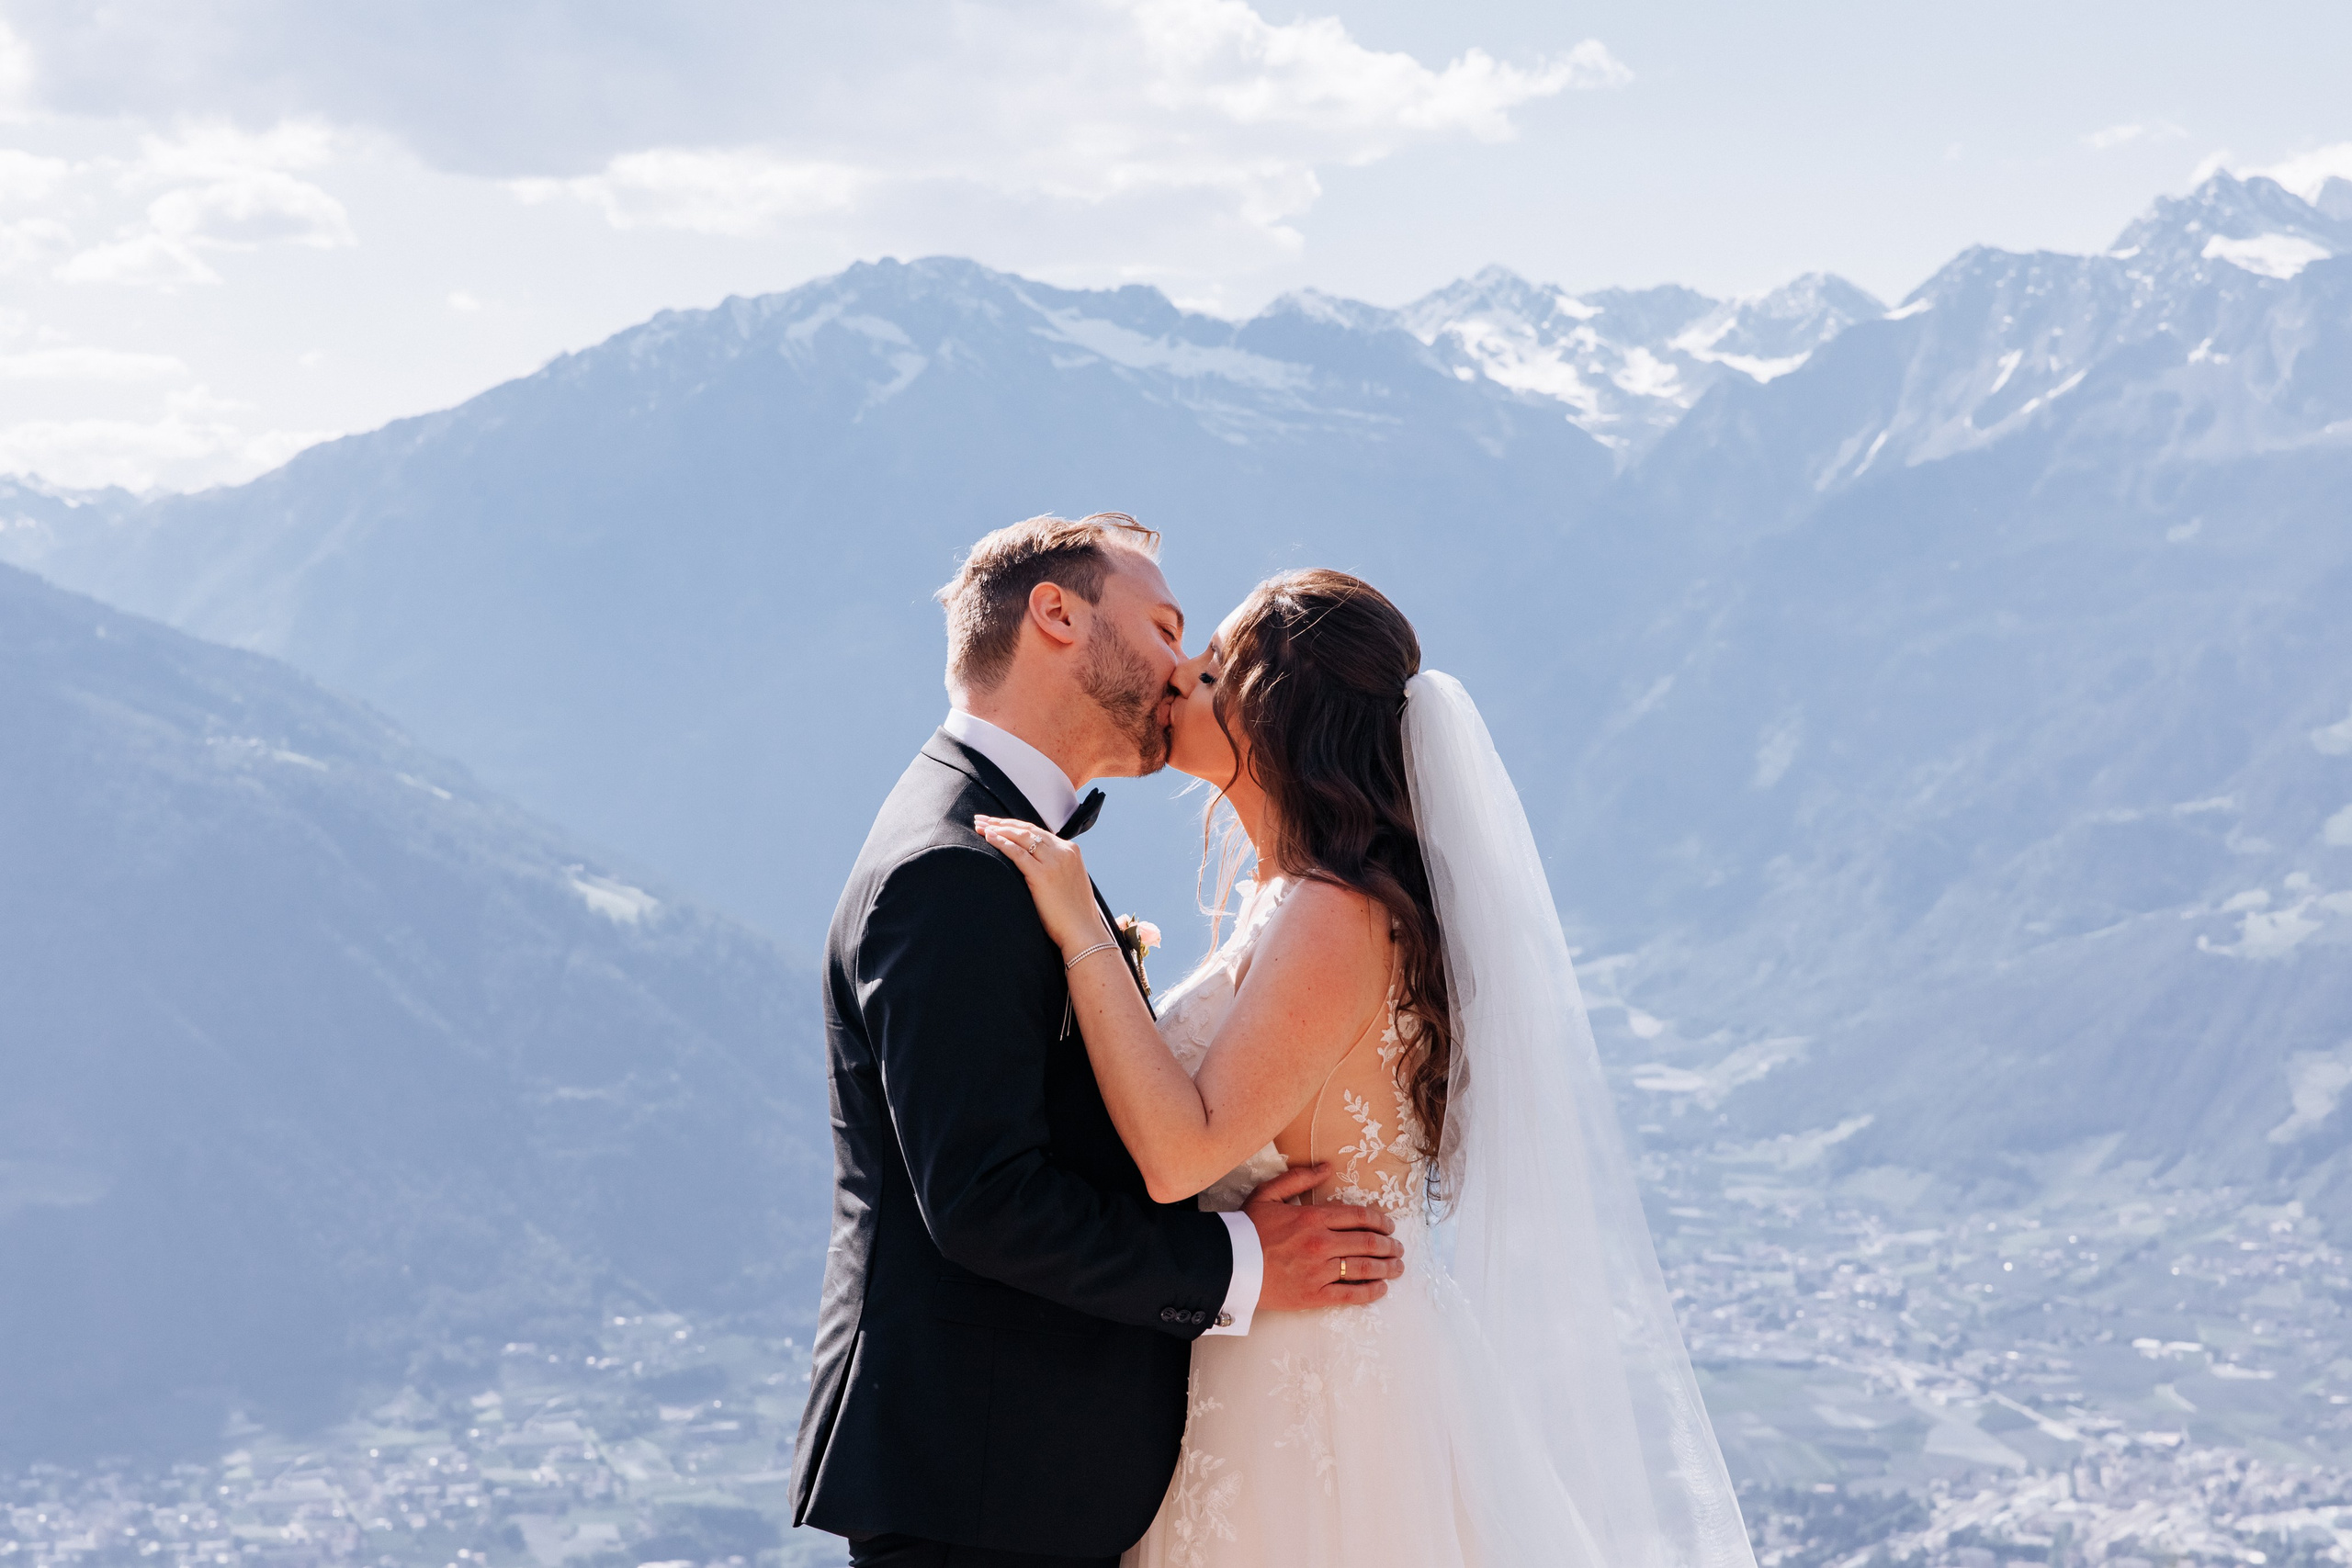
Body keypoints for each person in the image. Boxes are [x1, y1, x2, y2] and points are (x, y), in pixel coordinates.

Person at [978, 569, 1758, 1565]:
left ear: (1273, 717)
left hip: (1321, 1381)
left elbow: (1180, 1156)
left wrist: (1082, 933)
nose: (1177, 684)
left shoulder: (1332, 912)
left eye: (1212, 674)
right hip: (1275, 1345)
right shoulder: (1293, 898)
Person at [790, 515, 1408, 1568]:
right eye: (1167, 629)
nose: (1179, 671)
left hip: (1045, 1479)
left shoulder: (1011, 848)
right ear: (1058, 614)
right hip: (985, 1486)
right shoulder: (952, 866)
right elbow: (985, 1200)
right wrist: (1239, 1262)